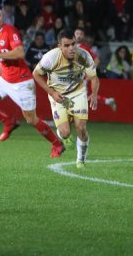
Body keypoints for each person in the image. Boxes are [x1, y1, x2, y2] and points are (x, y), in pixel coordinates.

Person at [0, 4, 65, 158]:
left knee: (31, 119)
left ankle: (57, 144)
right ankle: (9, 122)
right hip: (4, 79)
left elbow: (20, 53)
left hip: (22, 82)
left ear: (3, 17)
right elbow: (2, 56)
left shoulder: (10, 31)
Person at [33, 29, 99, 168]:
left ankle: (80, 160)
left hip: (77, 92)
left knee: (81, 127)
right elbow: (36, 74)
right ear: (60, 46)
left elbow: (94, 77)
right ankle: (64, 137)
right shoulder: (50, 58)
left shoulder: (84, 56)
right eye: (67, 45)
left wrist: (94, 93)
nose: (71, 48)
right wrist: (51, 93)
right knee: (65, 132)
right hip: (58, 95)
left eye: (73, 44)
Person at [74, 28, 117, 111]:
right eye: (77, 33)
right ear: (74, 35)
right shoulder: (70, 46)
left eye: (81, 34)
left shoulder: (85, 48)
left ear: (84, 37)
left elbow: (97, 59)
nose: (79, 36)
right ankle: (107, 101)